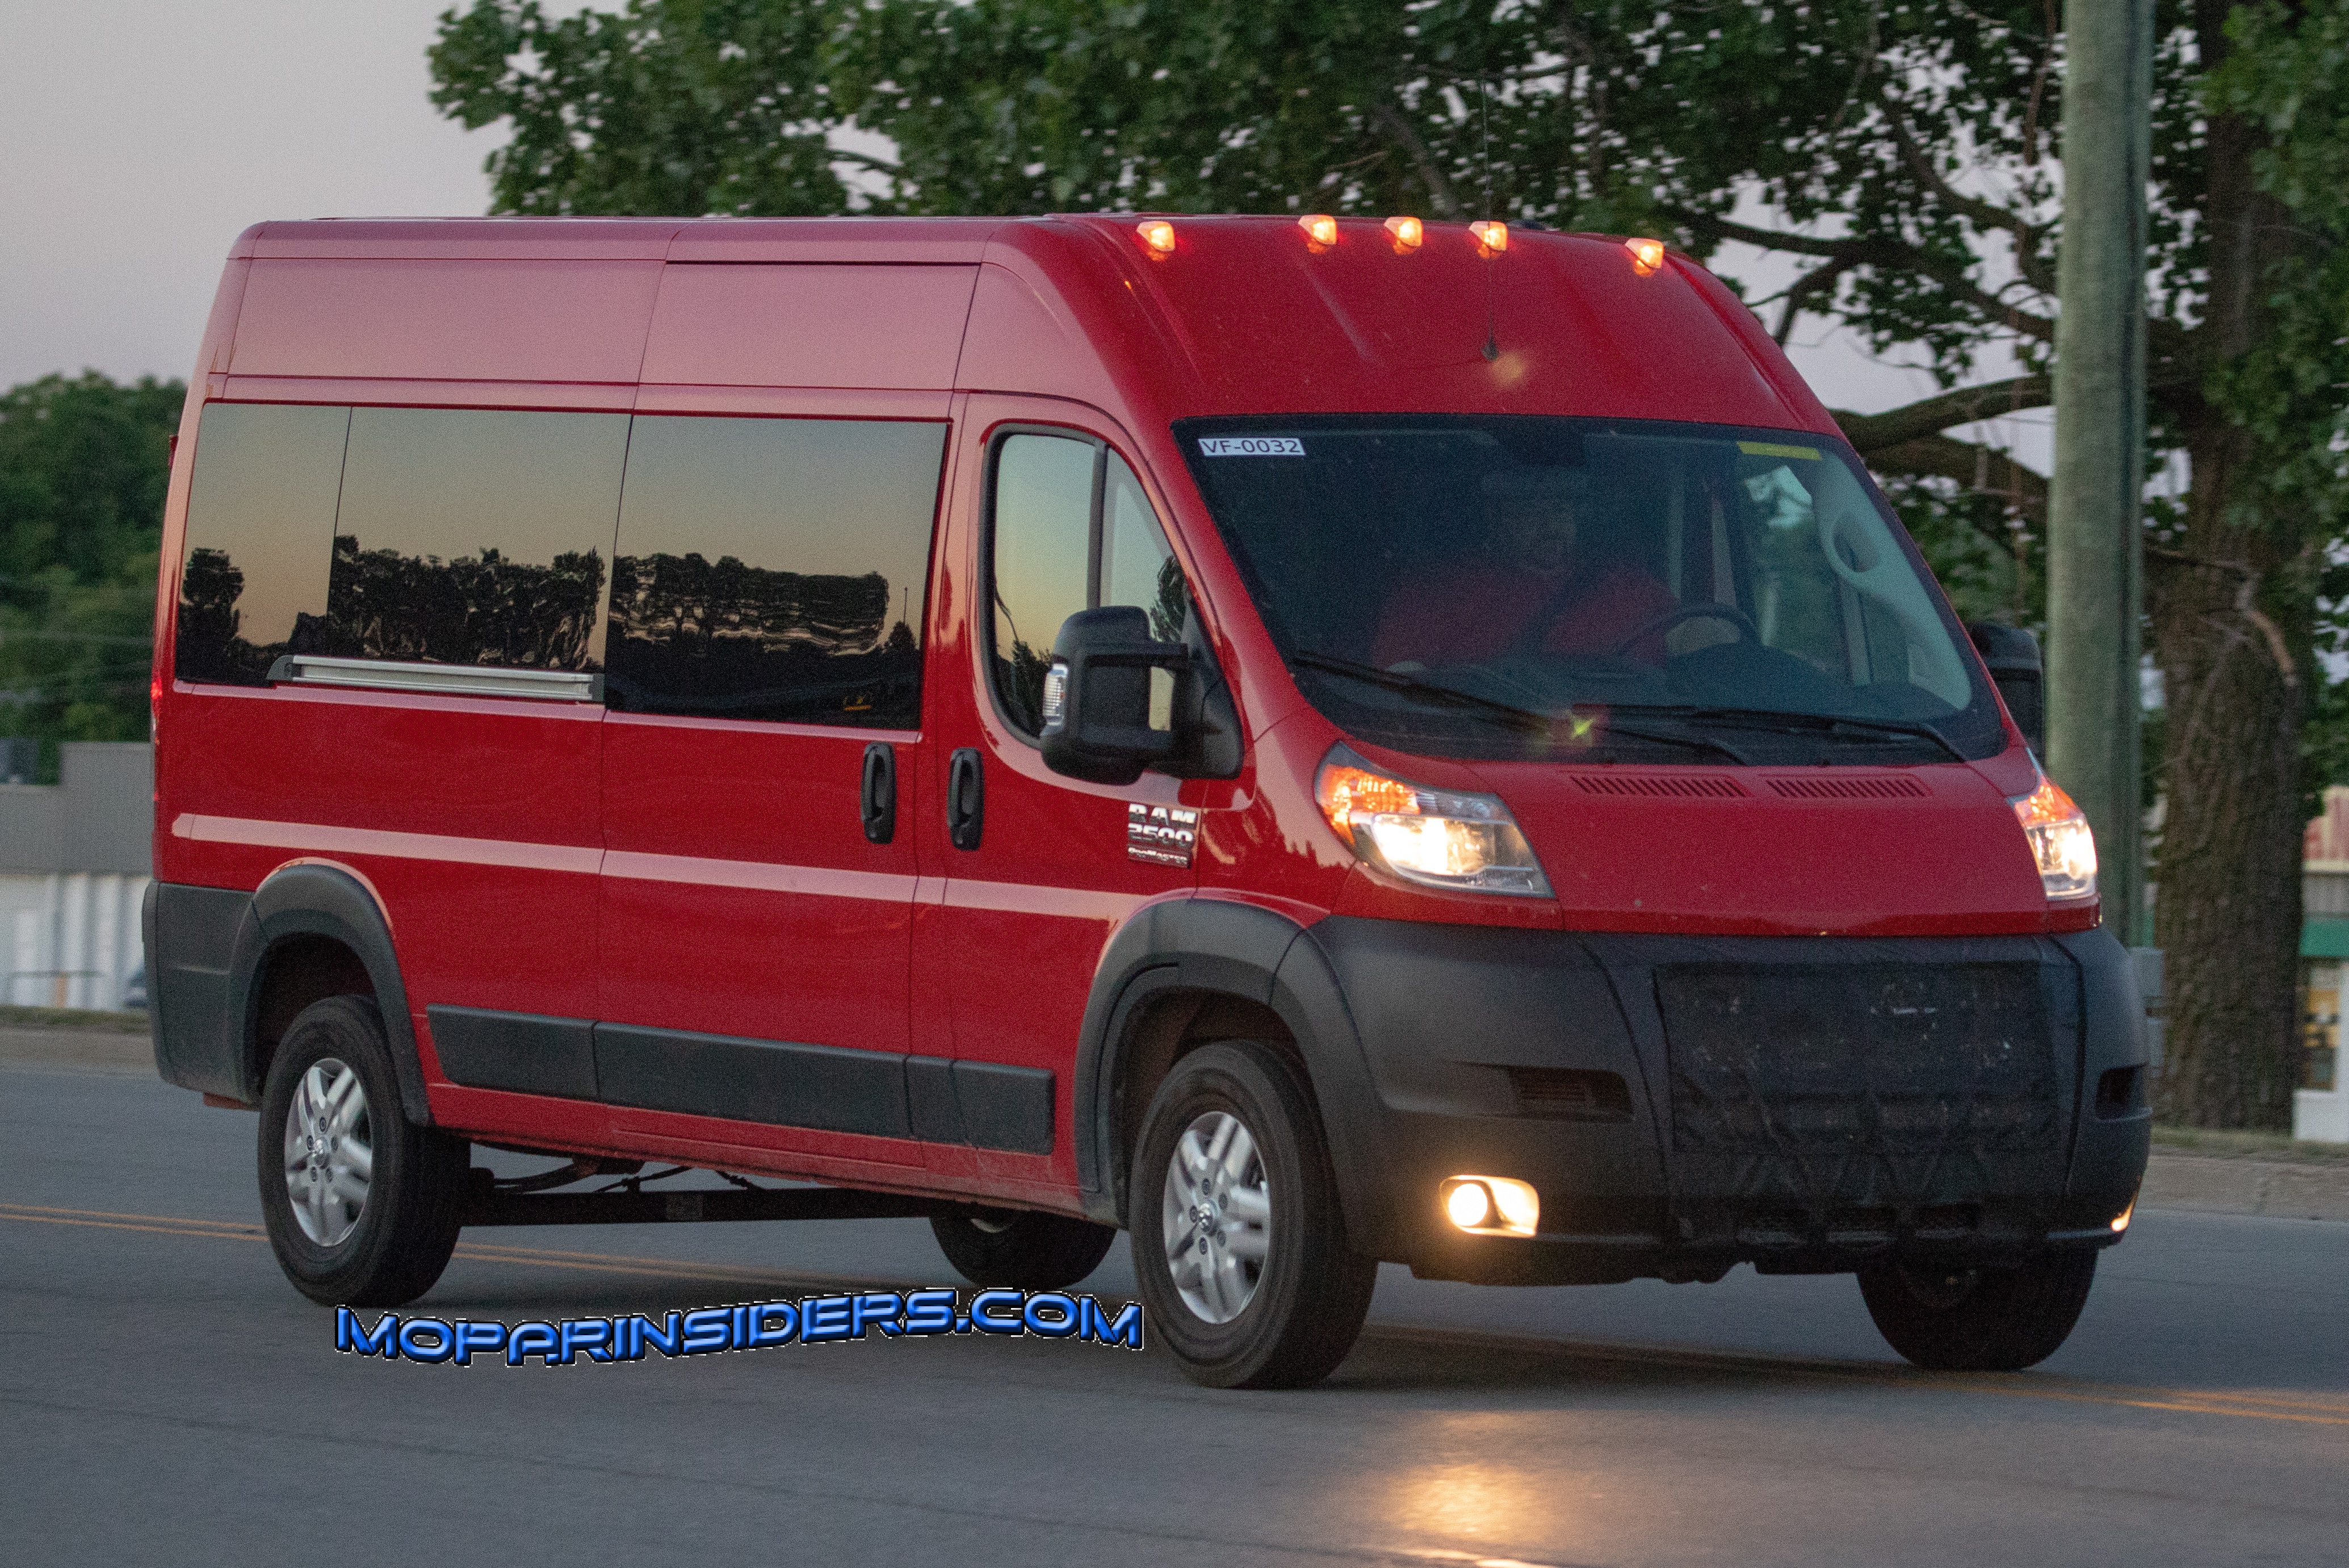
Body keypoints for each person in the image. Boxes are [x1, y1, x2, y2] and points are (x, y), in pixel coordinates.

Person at [1370, 466, 1677, 670]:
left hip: (1633, 744)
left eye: (1560, 508)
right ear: (1496, 517)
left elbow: (1705, 653)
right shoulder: (1436, 594)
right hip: (1478, 748)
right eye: (1532, 510)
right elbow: (1397, 691)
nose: (1550, 524)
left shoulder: (1629, 588)